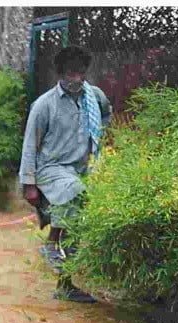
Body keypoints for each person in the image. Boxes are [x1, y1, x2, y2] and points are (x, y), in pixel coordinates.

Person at [19, 45, 112, 303]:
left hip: (82, 168)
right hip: (50, 168)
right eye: (71, 74)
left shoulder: (94, 97)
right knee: (75, 191)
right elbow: (30, 145)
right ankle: (50, 243)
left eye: (80, 74)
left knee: (78, 221)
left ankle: (66, 282)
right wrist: (28, 184)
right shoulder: (44, 105)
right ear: (61, 74)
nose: (76, 79)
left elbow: (106, 116)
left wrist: (100, 137)